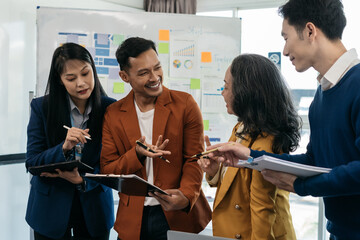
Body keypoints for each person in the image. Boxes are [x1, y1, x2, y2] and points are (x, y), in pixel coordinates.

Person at [206, 0, 360, 239]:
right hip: (339, 231)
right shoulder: (322, 95)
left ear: (310, 31)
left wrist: (301, 186)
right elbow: (314, 160)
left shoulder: (357, 84)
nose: (285, 50)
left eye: (286, 38)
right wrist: (252, 157)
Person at [100, 37, 211, 240]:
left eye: (157, 68)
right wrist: (136, 155)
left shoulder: (185, 104)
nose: (155, 77)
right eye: (143, 73)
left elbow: (194, 159)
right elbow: (108, 170)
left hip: (178, 215)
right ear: (125, 76)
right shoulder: (113, 114)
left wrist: (186, 196)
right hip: (132, 220)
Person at [198, 54, 300, 240]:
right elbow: (235, 183)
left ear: (246, 93)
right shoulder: (243, 127)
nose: (222, 92)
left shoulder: (266, 141)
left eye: (227, 87)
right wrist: (214, 172)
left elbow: (263, 211)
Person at [25, 42, 115, 240]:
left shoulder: (111, 109)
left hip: (95, 206)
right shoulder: (42, 107)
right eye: (71, 78)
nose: (81, 83)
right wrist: (63, 148)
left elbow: (113, 164)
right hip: (50, 210)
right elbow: (32, 162)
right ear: (60, 80)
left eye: (86, 73)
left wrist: (83, 181)